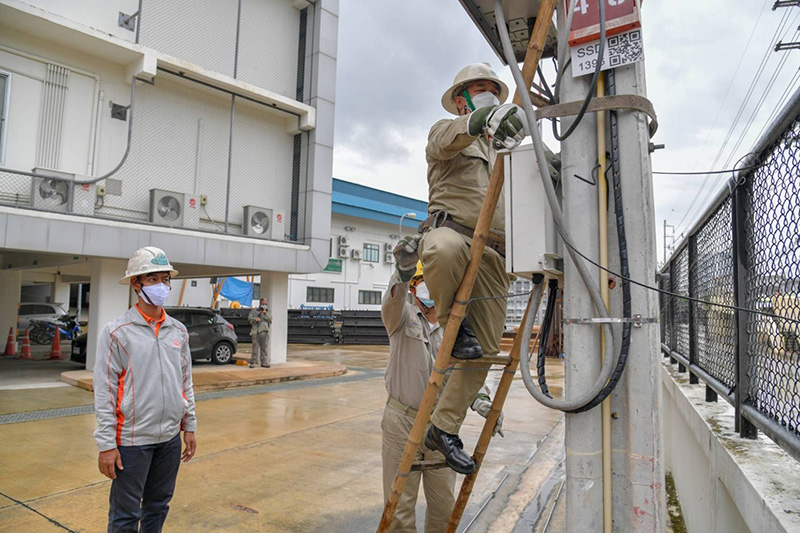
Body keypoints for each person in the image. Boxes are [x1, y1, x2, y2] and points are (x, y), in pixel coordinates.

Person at [394, 63, 526, 475]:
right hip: (452, 233)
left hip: (495, 254)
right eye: (479, 89)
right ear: (460, 99)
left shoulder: (503, 151)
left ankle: (443, 428)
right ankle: (456, 324)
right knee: (443, 251)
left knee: (484, 352)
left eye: (493, 90)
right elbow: (448, 139)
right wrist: (480, 119)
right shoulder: (445, 131)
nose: (488, 94)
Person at [382, 260, 503, 532]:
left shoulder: (458, 328)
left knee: (443, 509)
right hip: (401, 423)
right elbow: (392, 300)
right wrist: (402, 270)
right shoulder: (401, 319)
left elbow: (465, 374)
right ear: (414, 289)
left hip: (441, 427)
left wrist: (481, 400)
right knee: (398, 510)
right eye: (425, 281)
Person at [93, 246, 197, 532]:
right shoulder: (117, 332)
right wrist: (106, 445)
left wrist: (189, 426)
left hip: (169, 439)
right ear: (136, 284)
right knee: (126, 515)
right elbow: (105, 391)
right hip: (132, 442)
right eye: (153, 279)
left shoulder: (178, 331)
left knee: (159, 506)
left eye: (165, 279)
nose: (162, 286)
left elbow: (185, 381)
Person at [248, 298, 272, 368]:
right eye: (263, 304)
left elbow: (270, 319)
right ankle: (253, 362)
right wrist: (255, 319)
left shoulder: (268, 312)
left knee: (264, 348)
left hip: (264, 332)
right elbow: (249, 319)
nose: (264, 305)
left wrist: (265, 313)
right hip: (255, 331)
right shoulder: (254, 311)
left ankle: (264, 362)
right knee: (255, 348)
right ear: (260, 303)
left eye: (265, 304)